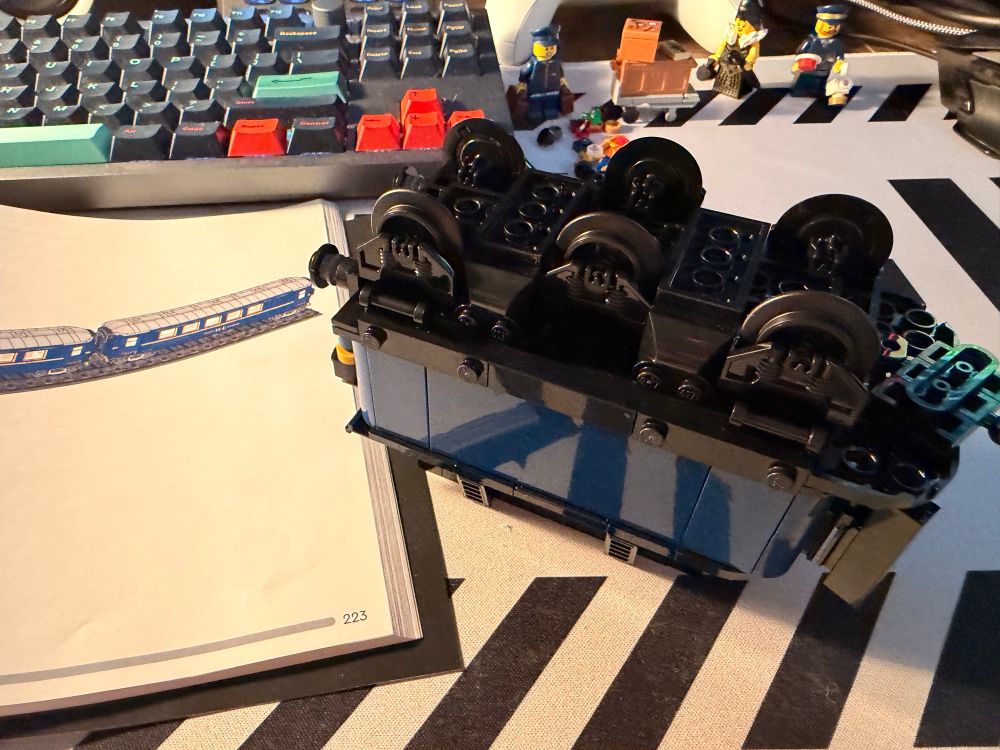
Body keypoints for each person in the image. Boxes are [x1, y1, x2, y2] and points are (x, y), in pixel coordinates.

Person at [696, 0, 768, 99]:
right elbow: (722, 46)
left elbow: (754, 53)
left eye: (744, 25)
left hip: (740, 63)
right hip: (725, 60)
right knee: (723, 76)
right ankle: (722, 87)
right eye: (738, 23)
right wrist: (715, 57)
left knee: (742, 78)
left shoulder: (752, 40)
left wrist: (748, 62)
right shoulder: (731, 35)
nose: (740, 27)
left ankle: (750, 85)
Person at [509, 24, 573, 129]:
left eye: (551, 48)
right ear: (536, 47)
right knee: (535, 105)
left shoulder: (556, 63)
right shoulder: (532, 64)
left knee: (551, 103)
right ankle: (535, 113)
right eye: (545, 48)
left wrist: (563, 83)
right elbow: (524, 75)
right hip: (535, 91)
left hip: (553, 90)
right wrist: (522, 86)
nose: (548, 52)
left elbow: (560, 74)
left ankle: (550, 111)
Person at [791, 5, 853, 106]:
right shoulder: (811, 41)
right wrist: (798, 63)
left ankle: (819, 95)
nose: (831, 29)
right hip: (809, 69)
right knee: (804, 84)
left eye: (835, 26)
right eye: (829, 26)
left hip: (825, 69)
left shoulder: (837, 43)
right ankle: (800, 92)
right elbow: (801, 51)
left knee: (820, 84)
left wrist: (839, 62)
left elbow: (839, 55)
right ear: (820, 24)